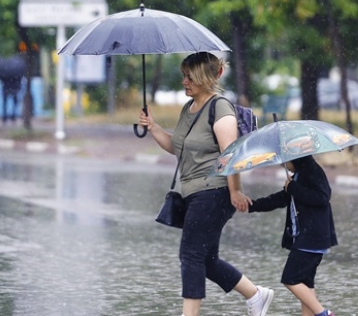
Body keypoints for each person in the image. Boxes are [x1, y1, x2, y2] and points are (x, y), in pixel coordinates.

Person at [138, 52, 274, 316]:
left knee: (190, 255)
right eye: (183, 75)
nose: (184, 81)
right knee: (206, 259)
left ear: (205, 78)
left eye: (190, 77)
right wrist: (153, 126)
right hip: (193, 193)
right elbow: (178, 147)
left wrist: (235, 190)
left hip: (214, 192)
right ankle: (256, 295)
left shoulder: (220, 108)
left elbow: (231, 154)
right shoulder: (188, 109)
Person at [250, 156, 338, 316]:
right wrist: (252, 205)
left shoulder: (311, 170)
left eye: (285, 160)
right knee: (306, 283)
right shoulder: (299, 175)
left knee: (291, 279)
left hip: (312, 238)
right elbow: (281, 198)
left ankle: (323, 313)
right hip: (306, 238)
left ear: (296, 157)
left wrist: (293, 188)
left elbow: (322, 197)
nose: (283, 164)